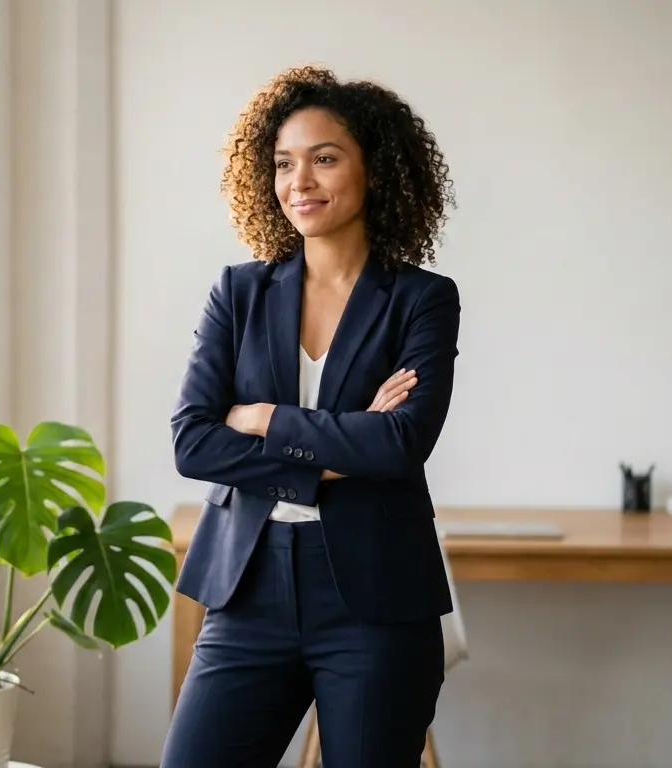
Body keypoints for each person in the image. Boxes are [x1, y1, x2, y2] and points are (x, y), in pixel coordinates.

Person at [163, 65, 461, 767]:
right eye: (284, 163)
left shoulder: (421, 300)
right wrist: (330, 456)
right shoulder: (238, 293)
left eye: (325, 159)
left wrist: (263, 415)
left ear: (375, 171)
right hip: (249, 587)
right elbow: (193, 441)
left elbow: (399, 442)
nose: (301, 181)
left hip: (376, 603)